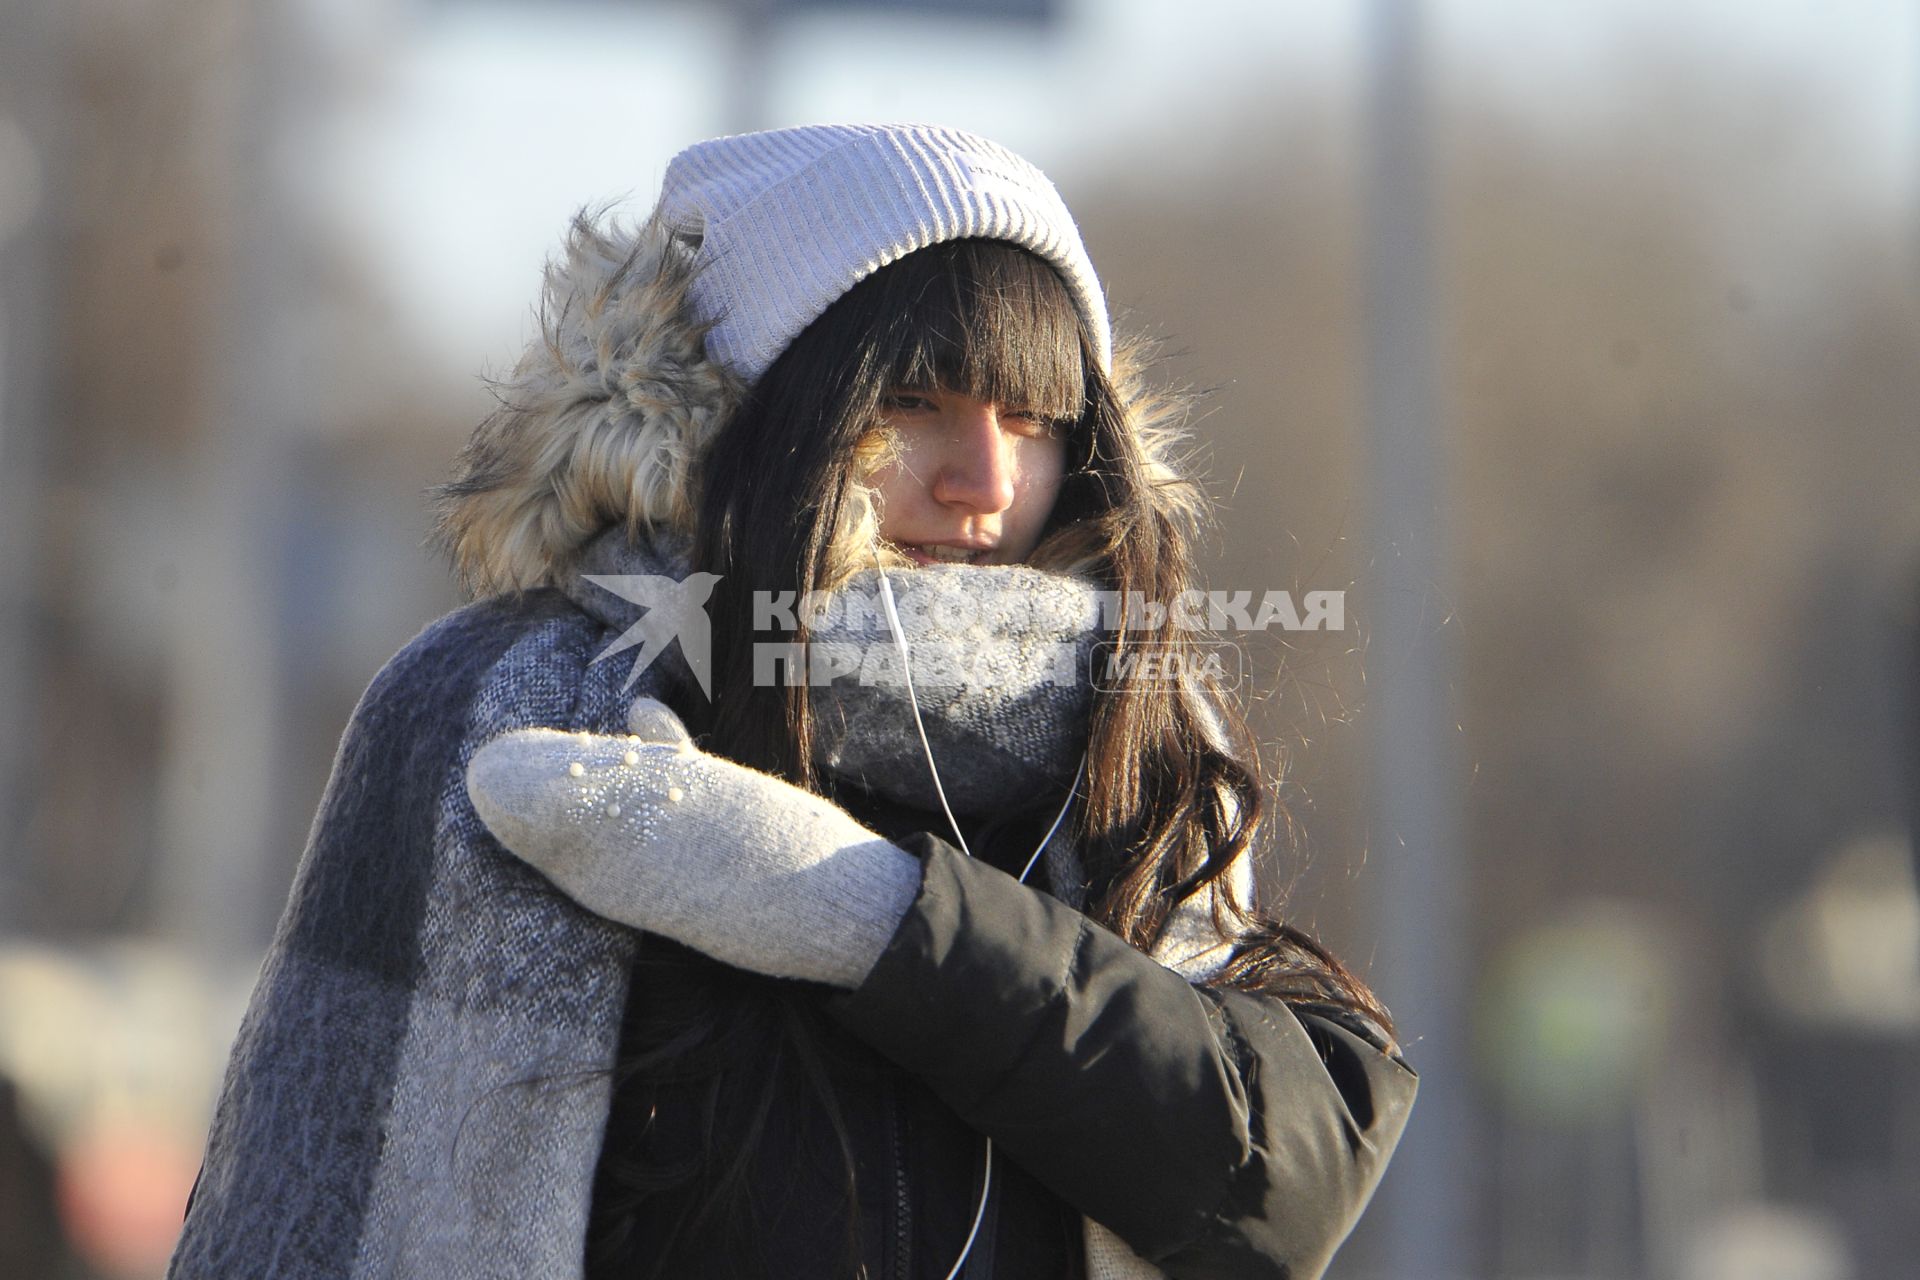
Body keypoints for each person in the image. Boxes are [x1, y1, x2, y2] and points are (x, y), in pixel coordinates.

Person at [170, 124, 1415, 1280]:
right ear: (744, 410)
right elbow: (316, 1203)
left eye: (1031, 417)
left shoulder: (1138, 733)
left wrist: (859, 911)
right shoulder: (509, 697)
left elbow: (1272, 1190)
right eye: (910, 400)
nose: (983, 479)